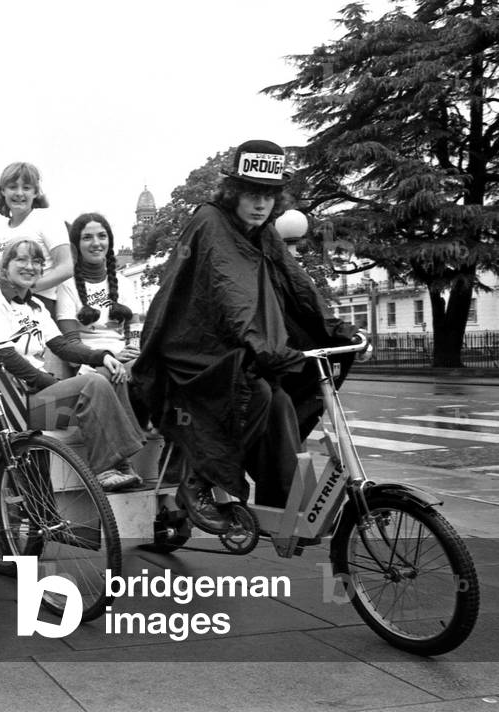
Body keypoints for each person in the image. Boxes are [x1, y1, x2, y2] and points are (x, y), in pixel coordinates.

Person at [133, 140, 359, 533]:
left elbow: (296, 283)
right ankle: (198, 481)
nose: (260, 205)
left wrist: (336, 330)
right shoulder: (210, 222)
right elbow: (229, 290)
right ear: (233, 193)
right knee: (254, 393)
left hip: (233, 348)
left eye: (269, 197)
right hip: (187, 350)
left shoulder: (264, 232)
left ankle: (284, 505)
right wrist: (262, 345)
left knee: (280, 400)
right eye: (252, 195)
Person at [0, 240, 145, 491]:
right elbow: (8, 357)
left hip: (40, 400)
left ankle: (121, 463)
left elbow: (63, 347)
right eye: (20, 260)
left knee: (109, 373)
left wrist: (103, 357)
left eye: (36, 261)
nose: (29, 266)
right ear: (5, 267)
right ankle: (104, 469)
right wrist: (53, 383)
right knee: (93, 382)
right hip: (16, 407)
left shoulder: (37, 306)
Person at [0, 162, 73, 341]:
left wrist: (26, 288)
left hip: (37, 303)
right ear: (3, 191)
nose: (19, 193)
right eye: (12, 187)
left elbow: (66, 267)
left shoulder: (47, 219)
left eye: (26, 188)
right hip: (2, 303)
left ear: (35, 192)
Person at [56, 212, 137, 360]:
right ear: (76, 245)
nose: (96, 243)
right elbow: (71, 343)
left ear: (109, 242)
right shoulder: (66, 286)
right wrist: (109, 357)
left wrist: (132, 352)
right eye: (87, 237)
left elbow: (134, 331)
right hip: (89, 360)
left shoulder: (125, 284)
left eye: (102, 236)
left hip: (126, 358)